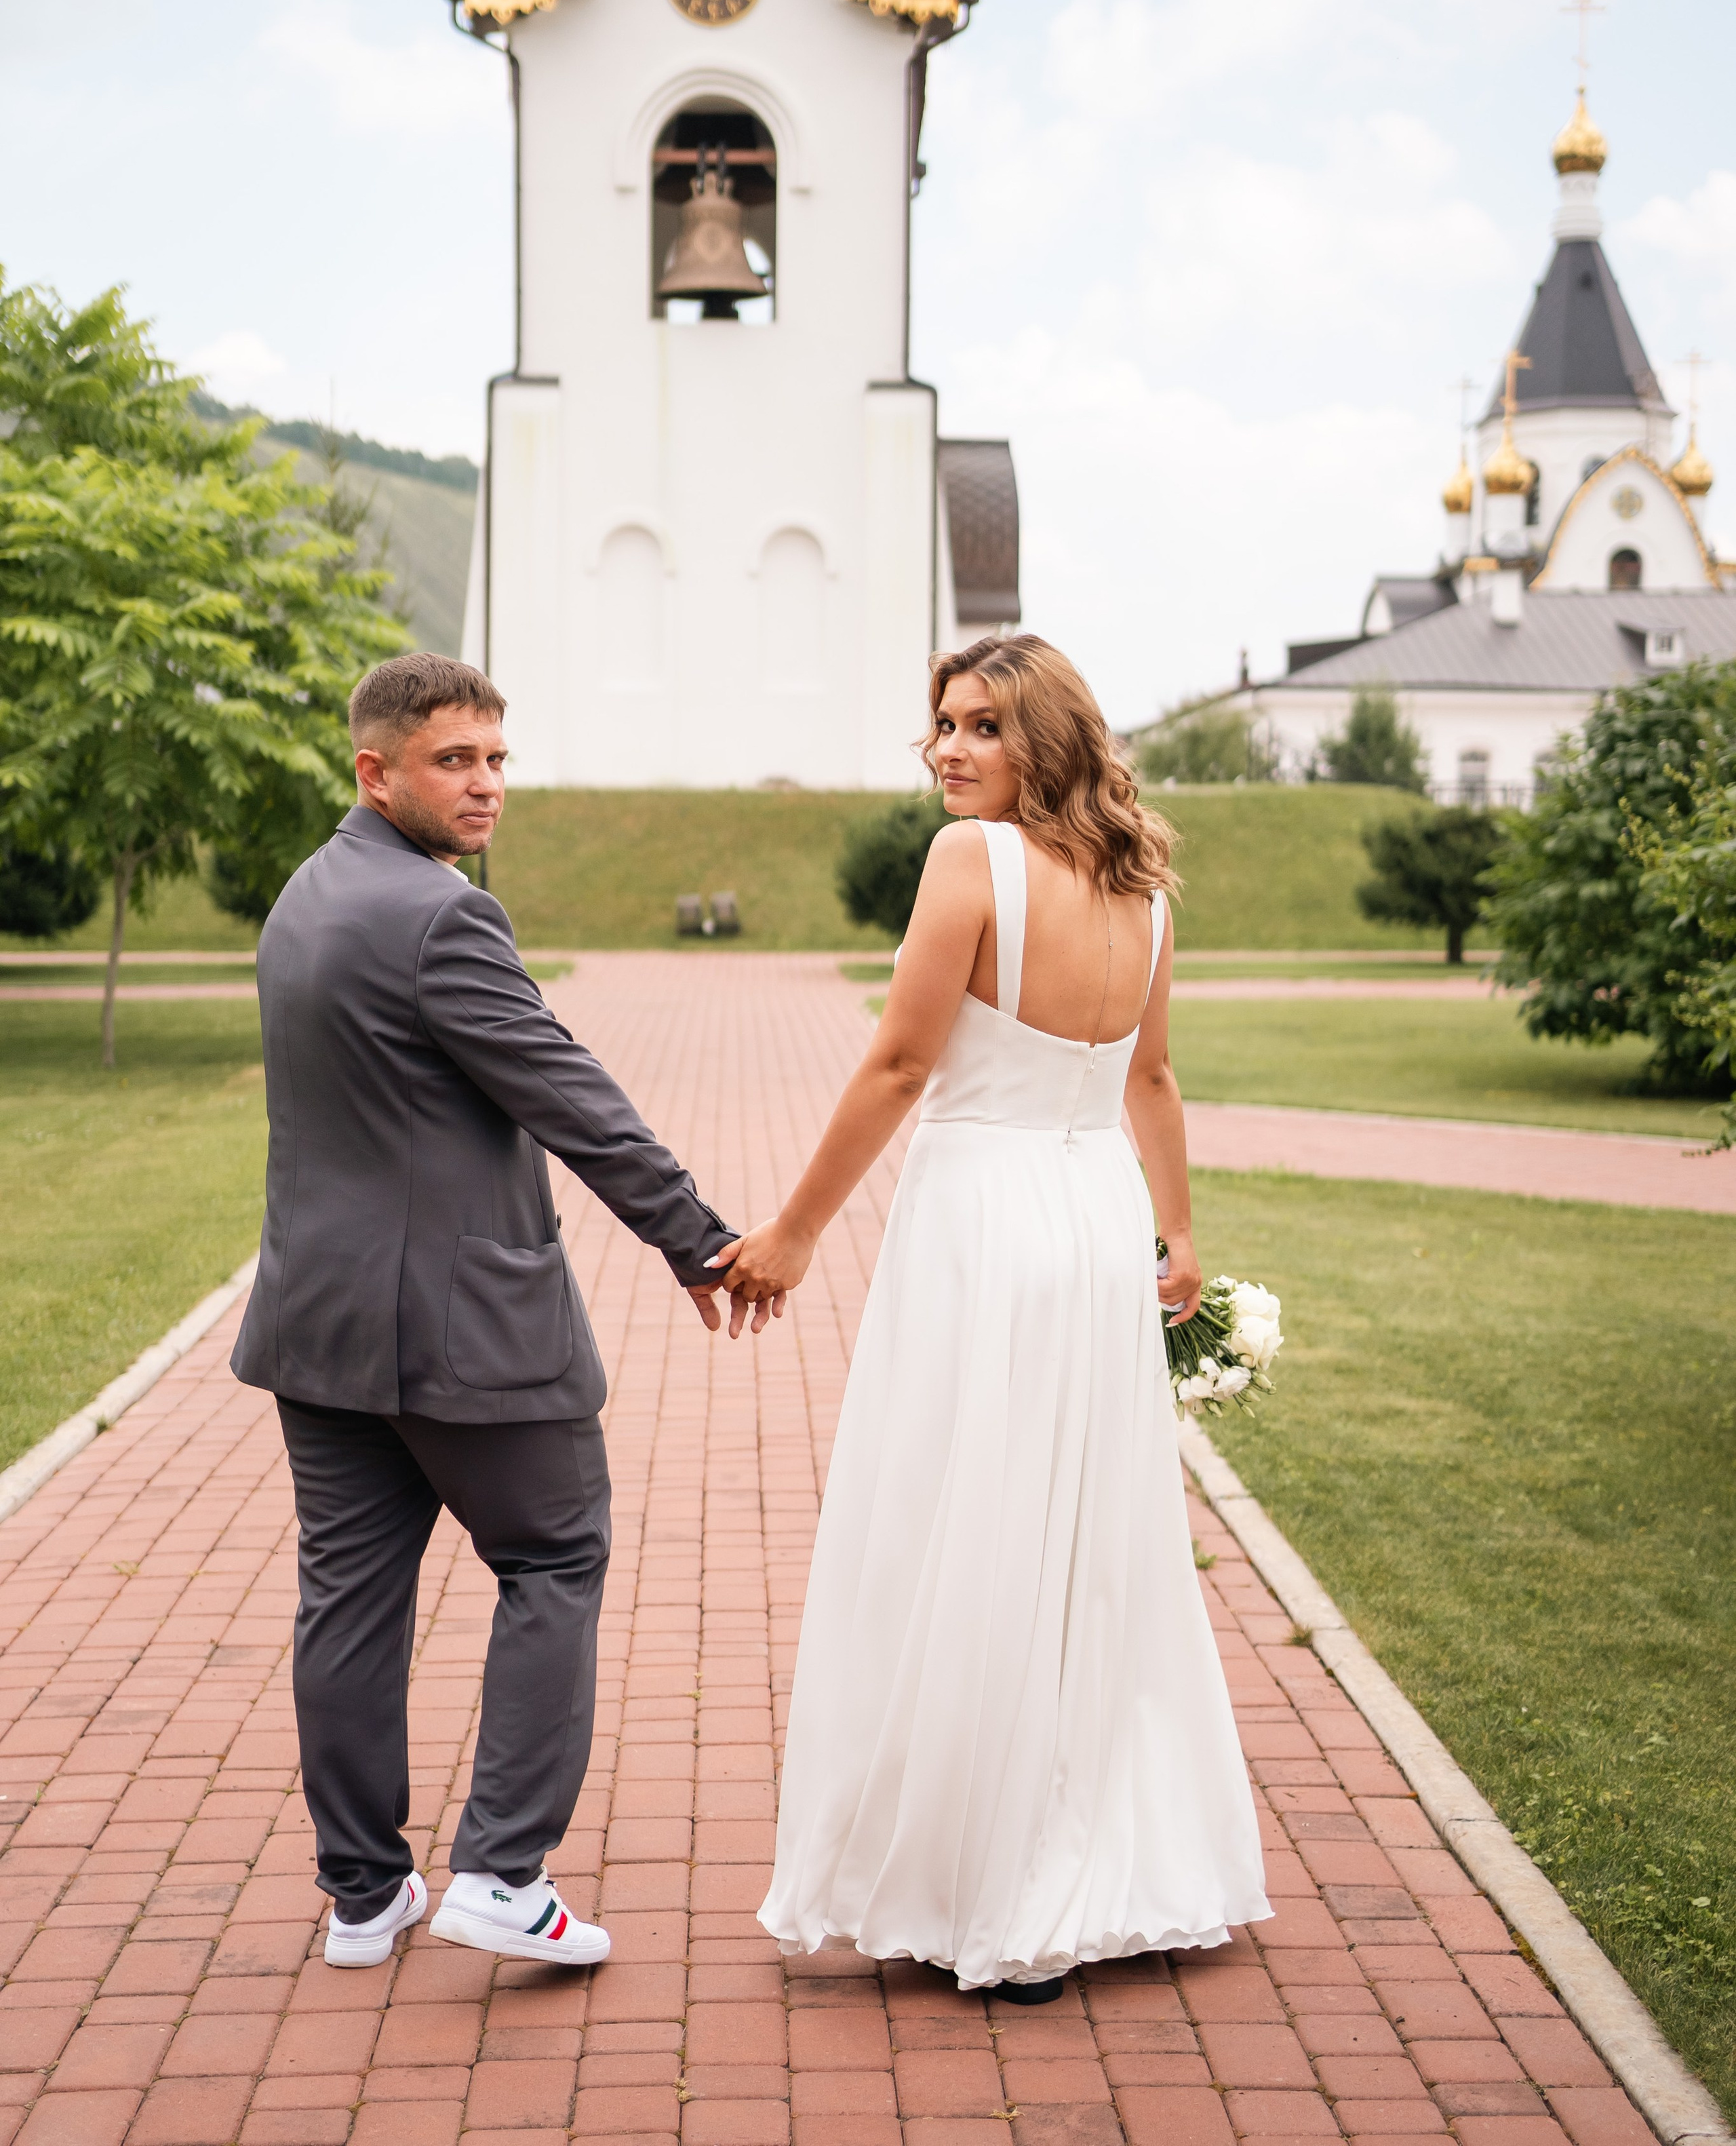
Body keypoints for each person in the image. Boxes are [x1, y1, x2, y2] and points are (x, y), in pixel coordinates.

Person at [715, 634, 1270, 1999]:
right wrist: (1176, 1234)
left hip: (977, 1223)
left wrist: (789, 1233)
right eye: (940, 725)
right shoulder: (1143, 889)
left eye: (979, 726)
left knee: (959, 1521)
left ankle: (986, 1881)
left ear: (1046, 741)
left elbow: (903, 1059)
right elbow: (1150, 1080)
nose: (946, 749)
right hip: (1087, 1230)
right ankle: (1107, 1858)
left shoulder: (970, 865)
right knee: (1081, 1536)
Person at [231, 653, 764, 1971]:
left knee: (347, 1603)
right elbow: (564, 1092)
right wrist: (696, 1239)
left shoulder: (304, 900)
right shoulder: (438, 916)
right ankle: (502, 1875)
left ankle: (364, 1899)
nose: (485, 786)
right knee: (555, 1552)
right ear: (376, 771)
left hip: (316, 1320)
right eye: (452, 761)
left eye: (496, 758)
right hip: (459, 1327)